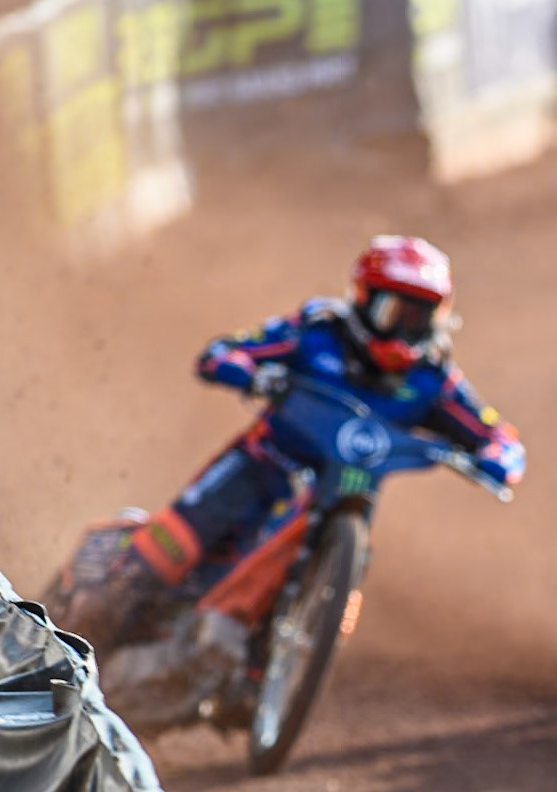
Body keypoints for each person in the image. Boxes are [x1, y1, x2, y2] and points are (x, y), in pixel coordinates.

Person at [89, 236, 524, 650]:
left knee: (343, 605)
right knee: (165, 553)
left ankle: (262, 662)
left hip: (342, 496)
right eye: (394, 311)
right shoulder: (317, 332)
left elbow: (496, 435)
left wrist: (497, 459)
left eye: (419, 317)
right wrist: (248, 373)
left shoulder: (433, 377)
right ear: (363, 298)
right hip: (261, 468)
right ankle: (87, 617)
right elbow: (222, 352)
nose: (405, 330)